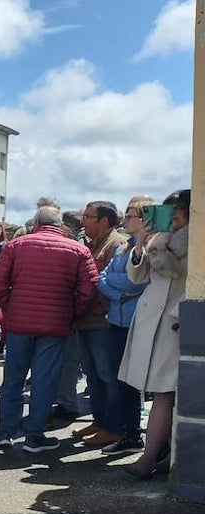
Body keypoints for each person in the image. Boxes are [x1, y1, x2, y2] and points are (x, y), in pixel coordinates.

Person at [0, 206, 98, 453]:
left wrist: (11, 304)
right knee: (44, 381)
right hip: (55, 326)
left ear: (36, 222)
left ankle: (5, 432)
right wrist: (71, 313)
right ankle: (34, 435)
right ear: (61, 225)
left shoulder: (17, 245)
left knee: (13, 380)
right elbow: (88, 288)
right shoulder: (79, 250)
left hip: (19, 324)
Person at [121, 190, 191, 479]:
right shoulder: (160, 239)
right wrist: (140, 246)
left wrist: (154, 245)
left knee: (165, 393)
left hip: (174, 322)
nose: (171, 217)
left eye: (176, 213)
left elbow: (178, 275)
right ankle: (163, 457)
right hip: (155, 319)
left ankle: (149, 458)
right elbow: (136, 277)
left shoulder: (191, 241)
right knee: (161, 392)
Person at [95, 195, 154, 455]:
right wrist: (120, 291)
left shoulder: (149, 247)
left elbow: (136, 282)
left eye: (131, 215)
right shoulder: (123, 246)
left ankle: (131, 434)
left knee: (129, 382)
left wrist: (120, 284)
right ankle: (125, 430)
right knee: (119, 379)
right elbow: (103, 278)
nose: (125, 219)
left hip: (134, 322)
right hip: (117, 319)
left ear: (144, 220)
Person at [72, 201, 129, 447]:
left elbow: (107, 282)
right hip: (88, 320)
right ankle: (100, 421)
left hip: (103, 322)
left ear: (104, 220)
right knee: (93, 377)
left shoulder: (116, 243)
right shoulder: (93, 243)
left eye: (88, 216)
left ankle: (114, 427)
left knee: (108, 376)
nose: (83, 221)